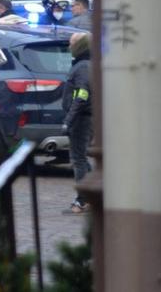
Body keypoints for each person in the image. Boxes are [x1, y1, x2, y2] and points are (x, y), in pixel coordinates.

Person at [63, 33, 93, 213]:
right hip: (83, 116)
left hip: (81, 118)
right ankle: (90, 194)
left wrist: (69, 120)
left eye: (72, 42)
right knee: (81, 158)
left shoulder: (81, 66)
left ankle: (83, 199)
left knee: (78, 159)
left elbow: (82, 95)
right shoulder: (84, 64)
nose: (69, 45)